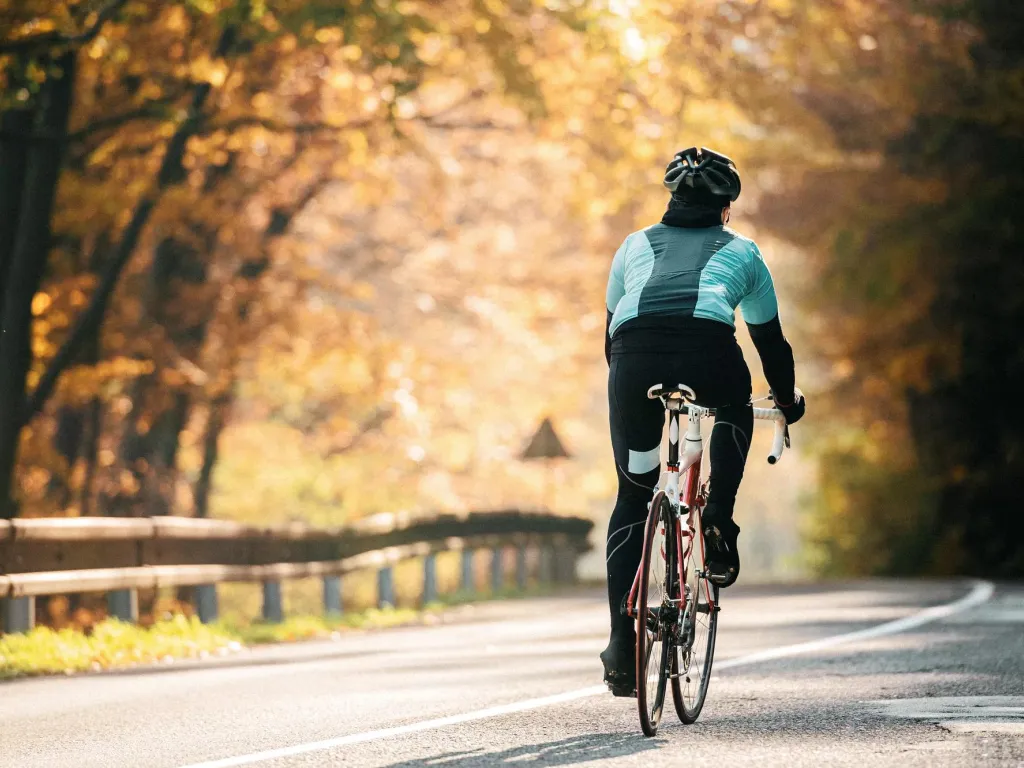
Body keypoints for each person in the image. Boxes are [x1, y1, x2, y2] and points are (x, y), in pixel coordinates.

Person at [600, 146, 805, 696]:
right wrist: (786, 401)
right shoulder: (744, 253)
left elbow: (610, 329)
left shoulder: (633, 244)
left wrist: (630, 392)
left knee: (632, 493)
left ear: (671, 198)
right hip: (706, 350)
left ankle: (622, 645)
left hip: (633, 356)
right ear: (726, 208)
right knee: (735, 406)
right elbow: (771, 344)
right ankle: (718, 514)